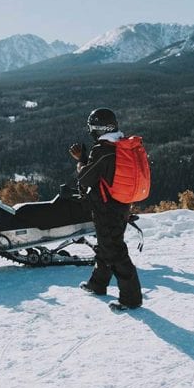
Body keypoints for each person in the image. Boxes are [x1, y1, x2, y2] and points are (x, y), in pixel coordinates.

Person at [69, 108, 143, 310]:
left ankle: (131, 299)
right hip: (121, 204)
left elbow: (85, 177)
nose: (91, 131)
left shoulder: (103, 150)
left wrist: (81, 160)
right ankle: (97, 284)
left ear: (99, 128)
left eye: (92, 128)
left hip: (106, 208)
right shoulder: (121, 144)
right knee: (107, 245)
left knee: (115, 251)